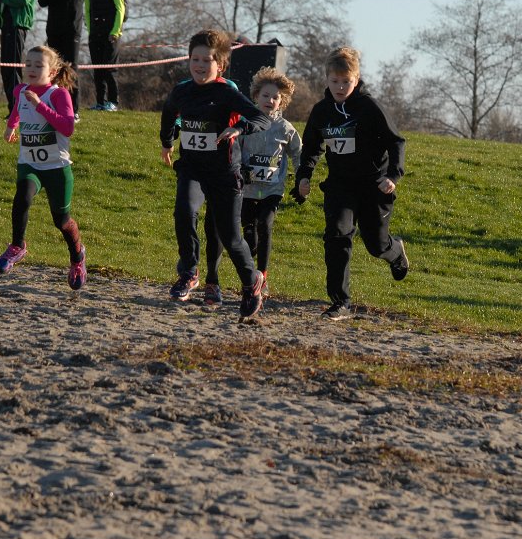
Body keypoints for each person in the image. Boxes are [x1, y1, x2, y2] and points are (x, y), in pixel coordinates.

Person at [159, 29, 271, 318]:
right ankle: (189, 271)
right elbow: (169, 111)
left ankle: (251, 282)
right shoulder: (182, 91)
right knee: (184, 211)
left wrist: (239, 127)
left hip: (224, 174)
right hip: (193, 169)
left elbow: (261, 118)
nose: (199, 65)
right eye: (194, 59)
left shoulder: (226, 93)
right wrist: (167, 142)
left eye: (206, 60)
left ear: (220, 64)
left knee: (231, 238)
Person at [295, 46, 410, 321]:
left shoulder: (369, 107)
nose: (340, 86)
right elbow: (311, 147)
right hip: (340, 186)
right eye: (334, 81)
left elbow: (396, 142)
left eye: (346, 81)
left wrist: (392, 176)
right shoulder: (322, 111)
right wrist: (304, 176)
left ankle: (395, 252)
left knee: (375, 244)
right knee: (337, 236)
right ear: (326, 79)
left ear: (356, 79)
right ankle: (340, 302)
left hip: (374, 186)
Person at [203, 66, 302, 307]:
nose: (270, 100)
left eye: (276, 97)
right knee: (250, 236)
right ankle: (250, 272)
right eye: (265, 95)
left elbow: (298, 153)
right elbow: (234, 148)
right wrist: (240, 168)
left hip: (272, 190)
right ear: (256, 96)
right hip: (246, 189)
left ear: (282, 101)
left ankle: (263, 276)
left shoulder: (285, 128)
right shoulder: (245, 123)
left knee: (265, 224)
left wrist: (302, 178)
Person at [0, 45, 86, 290]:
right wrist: (11, 126)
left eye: (38, 65)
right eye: (28, 64)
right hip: (30, 163)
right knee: (22, 197)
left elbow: (67, 128)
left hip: (57, 167)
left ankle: (77, 257)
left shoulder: (58, 95)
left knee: (61, 221)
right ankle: (17, 246)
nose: (31, 69)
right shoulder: (21, 90)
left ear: (52, 72)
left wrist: (39, 106)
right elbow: (17, 108)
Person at [38, 0, 85, 118]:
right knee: (53, 68)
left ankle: (74, 109)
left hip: (71, 29)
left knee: (70, 68)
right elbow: (42, 0)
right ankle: (53, 105)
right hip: (53, 28)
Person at [83, 0, 124, 112]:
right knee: (98, 70)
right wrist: (91, 31)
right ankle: (100, 102)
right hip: (95, 34)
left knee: (109, 69)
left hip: (111, 34)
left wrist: (115, 31)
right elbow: (87, 11)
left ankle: (113, 102)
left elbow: (120, 8)